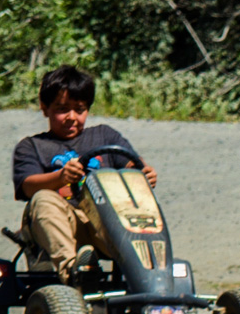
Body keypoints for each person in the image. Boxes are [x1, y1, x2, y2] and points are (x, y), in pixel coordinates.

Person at [12, 65, 157, 283]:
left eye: (79, 110)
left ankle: (150, 275)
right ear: (45, 108)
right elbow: (27, 186)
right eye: (62, 109)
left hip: (103, 221)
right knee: (43, 198)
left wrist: (143, 174)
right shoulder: (32, 146)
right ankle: (74, 271)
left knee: (134, 203)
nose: (71, 117)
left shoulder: (105, 135)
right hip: (61, 221)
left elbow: (132, 163)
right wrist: (60, 177)